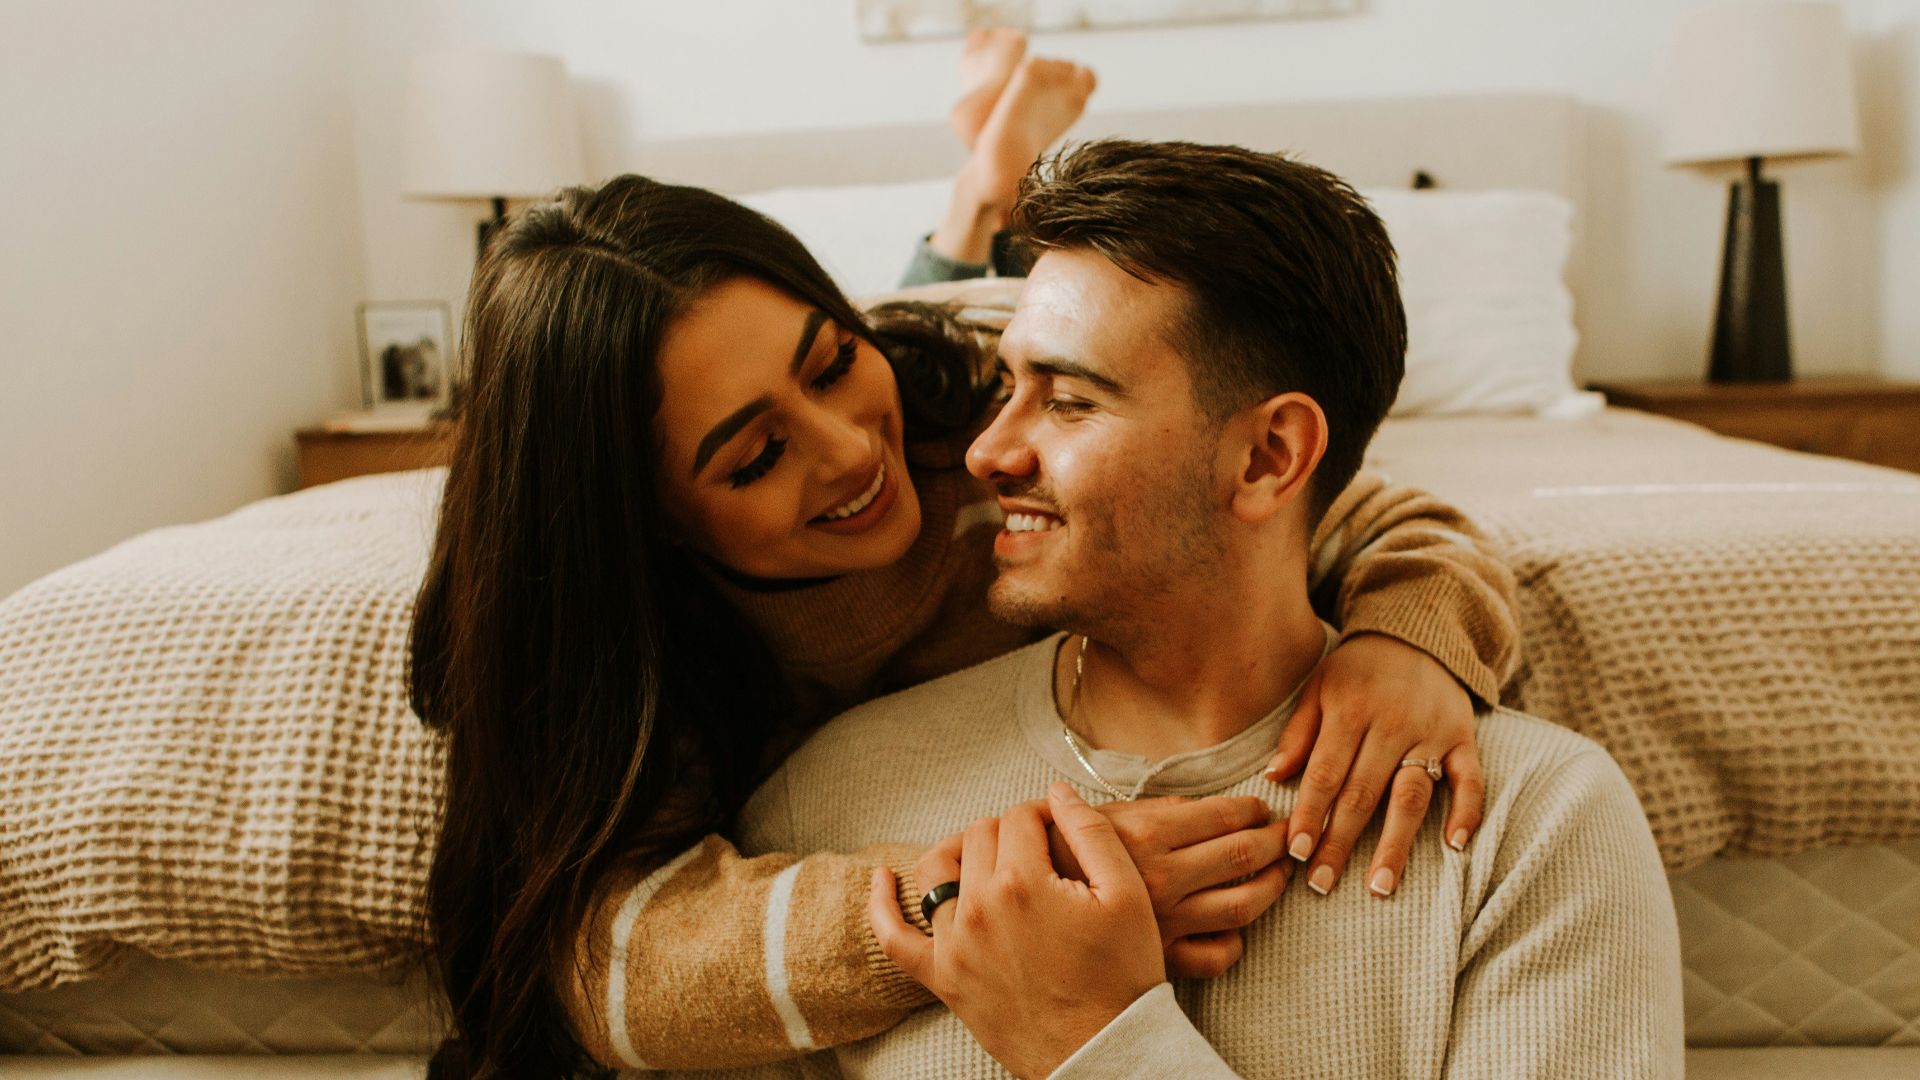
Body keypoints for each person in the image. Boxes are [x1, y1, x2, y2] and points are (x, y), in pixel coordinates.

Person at [407, 41, 1520, 1080]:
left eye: (830, 362)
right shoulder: (628, 639)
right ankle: (985, 178)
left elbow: (1343, 506)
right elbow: (614, 960)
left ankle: (983, 199)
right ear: (650, 521)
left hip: (940, 331)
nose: (854, 453)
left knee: (940, 308)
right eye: (756, 457)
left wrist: (1408, 641)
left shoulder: (979, 401)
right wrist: (970, 905)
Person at [692, 140, 1684, 1079]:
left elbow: (1410, 532)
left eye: (1069, 401)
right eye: (1007, 387)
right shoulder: (823, 815)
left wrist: (1094, 1042)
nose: (988, 453)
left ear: (1268, 458)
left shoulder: (1532, 819)